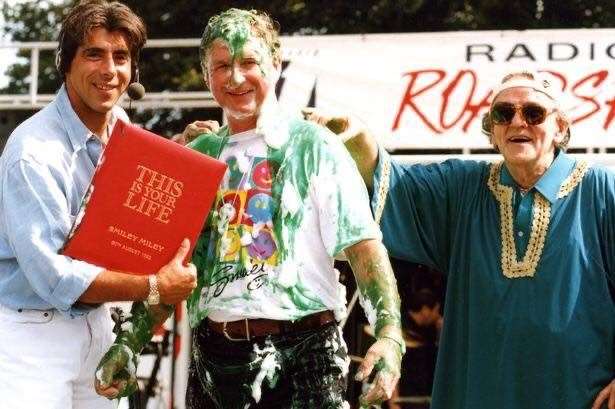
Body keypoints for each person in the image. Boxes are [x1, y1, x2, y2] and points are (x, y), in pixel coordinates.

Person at [96, 8, 405, 409]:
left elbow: (364, 248)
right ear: (207, 75)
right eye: (222, 65)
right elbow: (172, 271)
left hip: (307, 355)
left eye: (249, 62)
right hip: (215, 360)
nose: (236, 77)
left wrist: (389, 334)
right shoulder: (199, 158)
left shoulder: (315, 146)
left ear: (275, 64)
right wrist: (130, 342)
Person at [304, 70, 615, 409]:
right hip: (482, 391)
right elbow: (393, 182)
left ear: (560, 128)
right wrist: (357, 136)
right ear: (492, 132)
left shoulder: (600, 189)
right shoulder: (465, 188)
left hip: (580, 391)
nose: (517, 122)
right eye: (504, 113)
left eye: (533, 113)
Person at [0, 2, 197, 408]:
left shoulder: (120, 126)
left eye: (121, 57)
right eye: (94, 54)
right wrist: (155, 287)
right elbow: (55, 279)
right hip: (28, 339)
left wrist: (181, 154)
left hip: (97, 326)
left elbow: (127, 197)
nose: (109, 70)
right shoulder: (31, 152)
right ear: (65, 63)